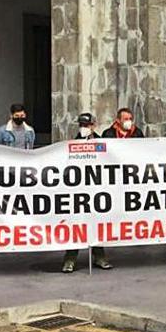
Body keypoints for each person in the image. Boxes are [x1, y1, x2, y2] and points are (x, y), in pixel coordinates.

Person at [62, 113, 111, 272]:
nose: (84, 128)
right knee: (76, 226)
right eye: (82, 125)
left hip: (96, 191)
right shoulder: (72, 144)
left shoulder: (102, 143)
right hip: (78, 192)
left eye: (87, 125)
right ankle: (70, 259)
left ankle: (99, 257)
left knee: (97, 226)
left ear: (93, 125)